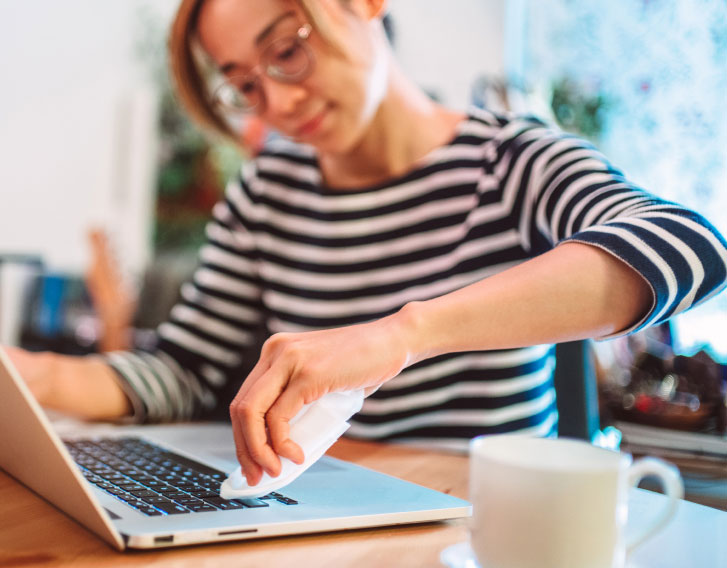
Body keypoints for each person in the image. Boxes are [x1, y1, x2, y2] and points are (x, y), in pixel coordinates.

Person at [7, 0, 727, 489]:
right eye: (244, 87)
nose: (279, 104)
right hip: (318, 513)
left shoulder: (509, 163)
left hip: (473, 522)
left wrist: (402, 335)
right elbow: (187, 372)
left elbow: (689, 248)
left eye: (287, 49)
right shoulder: (268, 193)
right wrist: (30, 379)